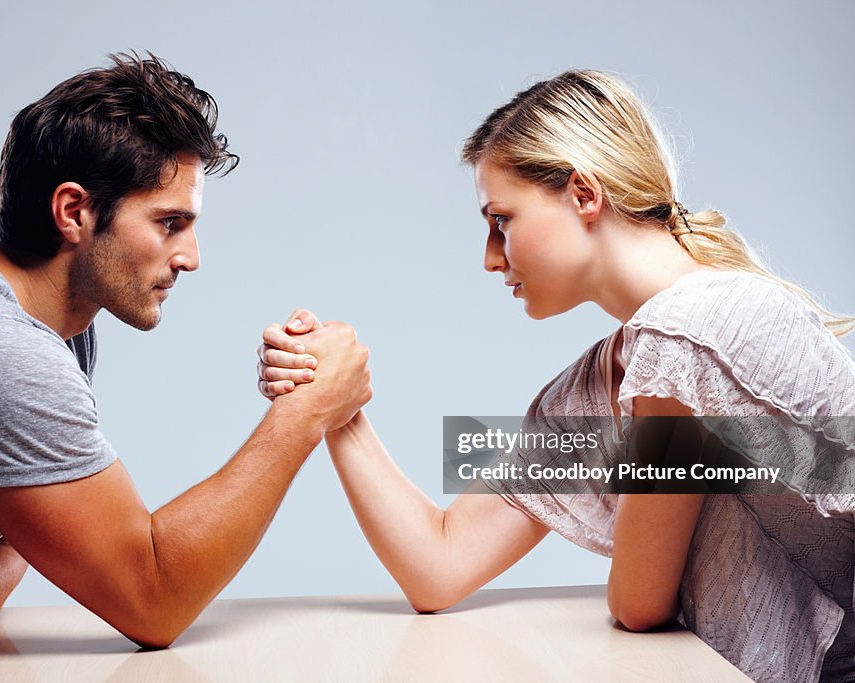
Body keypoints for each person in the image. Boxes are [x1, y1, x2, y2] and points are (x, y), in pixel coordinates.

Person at [257, 70, 855, 682]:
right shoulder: (613, 377)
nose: (491, 257)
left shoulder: (687, 334)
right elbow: (440, 563)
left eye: (502, 220)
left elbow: (638, 605)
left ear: (583, 194)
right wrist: (332, 402)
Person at [0, 52, 372, 671]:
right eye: (170, 223)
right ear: (74, 213)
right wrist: (304, 414)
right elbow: (153, 603)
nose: (191, 257)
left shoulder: (54, 323)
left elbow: (38, 537)